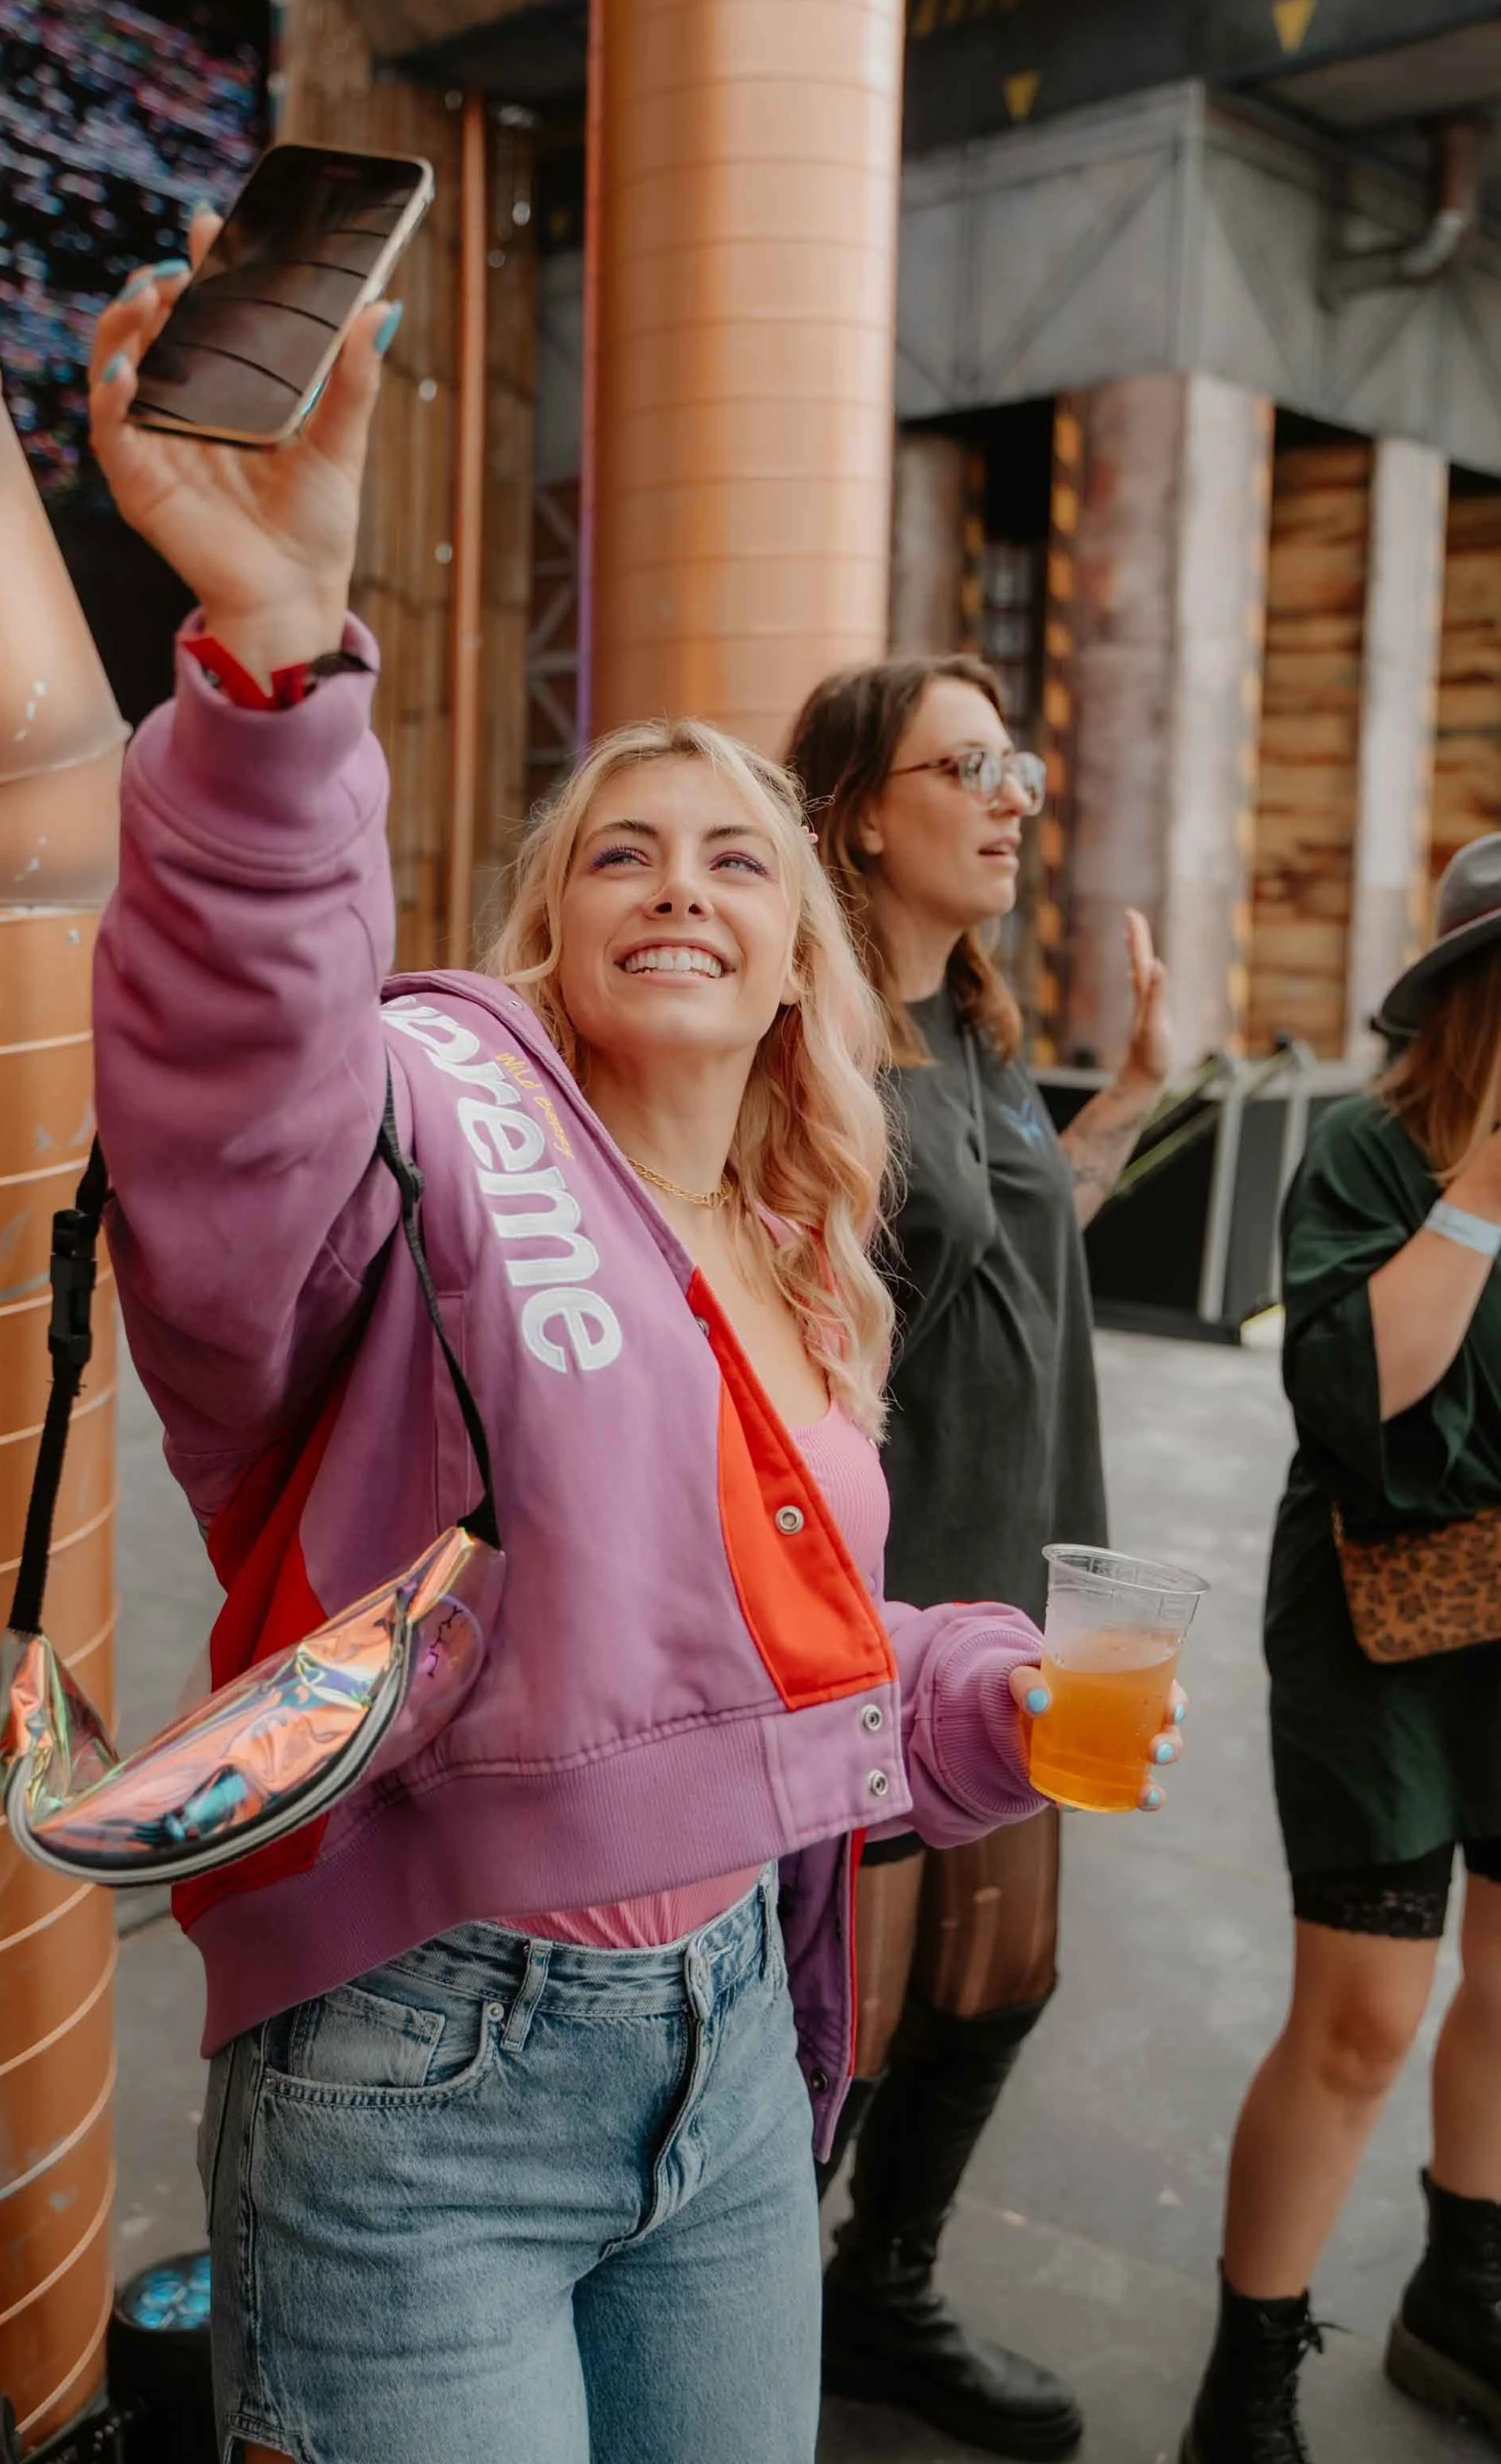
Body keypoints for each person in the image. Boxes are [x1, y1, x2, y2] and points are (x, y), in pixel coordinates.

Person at [81, 226, 1168, 2464]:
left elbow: (770, 1630)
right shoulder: (422, 1123)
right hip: (419, 2068)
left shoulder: (802, 1247)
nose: (681, 881)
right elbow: (233, 1097)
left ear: (797, 967)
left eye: (736, 863)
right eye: (619, 857)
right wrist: (281, 659)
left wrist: (971, 1689)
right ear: (553, 939)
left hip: (741, 2057)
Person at [789, 656, 1179, 2459]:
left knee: (1005, 1975)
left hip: (1046, 1573)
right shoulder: (812, 1040)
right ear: (866, 809)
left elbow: (1004, 1246)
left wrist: (1117, 1121)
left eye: (1017, 761)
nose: (1017, 793)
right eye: (972, 765)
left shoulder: (975, 1036)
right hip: (891, 1604)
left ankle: (886, 2297)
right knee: (840, 2024)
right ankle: (740, 2314)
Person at [1180, 834, 1501, 2464]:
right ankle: (1247, 2388)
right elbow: (1361, 1389)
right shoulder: (1369, 1157)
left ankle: (1465, 2297)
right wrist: (1491, 1190)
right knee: (1364, 2016)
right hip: (1385, 1627)